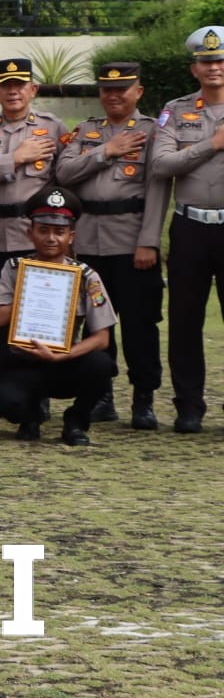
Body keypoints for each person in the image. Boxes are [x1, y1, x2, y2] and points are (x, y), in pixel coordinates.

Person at [53, 62, 167, 429]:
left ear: (138, 91)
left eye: (122, 89)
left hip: (132, 241)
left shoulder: (152, 131)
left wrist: (149, 241)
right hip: (90, 241)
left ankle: (143, 398)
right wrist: (107, 150)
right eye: (107, 89)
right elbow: (63, 173)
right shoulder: (87, 131)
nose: (113, 95)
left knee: (140, 324)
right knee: (96, 324)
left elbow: (157, 190)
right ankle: (102, 396)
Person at [0, 187, 116, 445]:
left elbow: (102, 339)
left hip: (65, 362)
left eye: (59, 231)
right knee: (4, 402)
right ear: (30, 233)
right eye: (43, 230)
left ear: (71, 236)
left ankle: (75, 422)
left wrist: (61, 355)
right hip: (24, 362)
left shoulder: (86, 276)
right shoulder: (15, 269)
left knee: (101, 364)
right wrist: (29, 289)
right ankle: (30, 416)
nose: (51, 238)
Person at [150, 24, 224, 433]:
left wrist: (189, 152)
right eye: (206, 61)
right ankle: (189, 405)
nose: (214, 67)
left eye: (220, 60)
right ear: (194, 68)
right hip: (190, 226)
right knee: (184, 321)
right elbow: (161, 165)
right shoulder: (176, 111)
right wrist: (211, 144)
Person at [0, 58, 69, 292]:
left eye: (19, 85)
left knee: (35, 305)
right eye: (6, 86)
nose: (13, 91)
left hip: (36, 237)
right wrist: (15, 158)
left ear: (33, 89)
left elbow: (67, 180)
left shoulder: (53, 128)